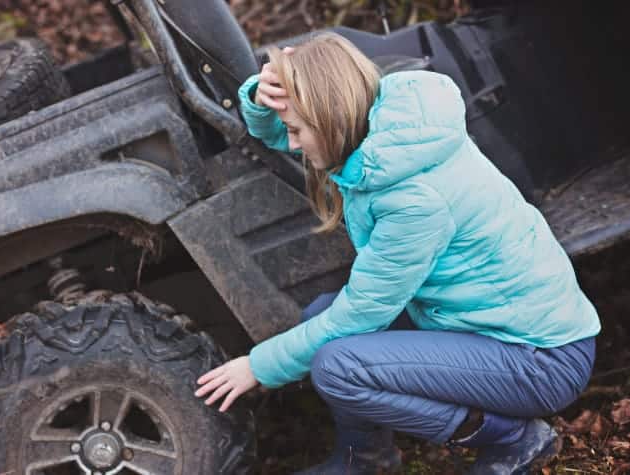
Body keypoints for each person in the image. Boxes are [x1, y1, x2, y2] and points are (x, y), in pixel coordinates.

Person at [194, 32, 600, 475]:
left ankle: (513, 438)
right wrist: (260, 95)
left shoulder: (412, 199)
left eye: (297, 131)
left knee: (339, 365)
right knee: (319, 318)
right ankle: (362, 461)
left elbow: (359, 317)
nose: (291, 144)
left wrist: (257, 366)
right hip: (478, 326)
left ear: (329, 117)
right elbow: (291, 131)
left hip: (537, 358)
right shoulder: (389, 125)